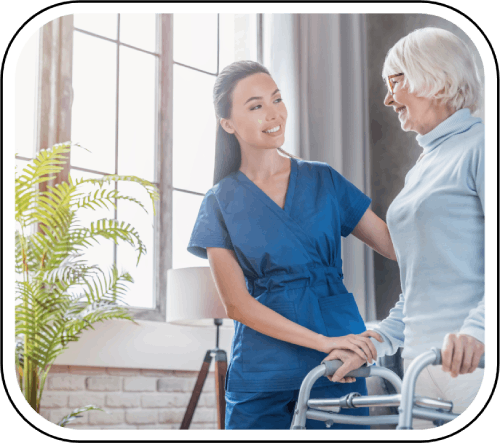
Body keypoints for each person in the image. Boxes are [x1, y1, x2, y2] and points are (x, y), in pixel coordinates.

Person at [187, 60, 396, 430]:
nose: (274, 114)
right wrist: (321, 340)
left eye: (277, 99)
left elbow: (394, 246)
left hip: (339, 365)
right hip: (264, 369)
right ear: (228, 123)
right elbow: (237, 305)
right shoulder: (219, 202)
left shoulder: (324, 180)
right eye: (256, 106)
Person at [323, 27, 486, 430]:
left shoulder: (480, 145)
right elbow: (419, 289)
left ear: (436, 76)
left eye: (395, 81)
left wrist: (476, 331)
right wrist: (376, 342)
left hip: (474, 363)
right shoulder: (421, 170)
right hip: (418, 367)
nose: (388, 98)